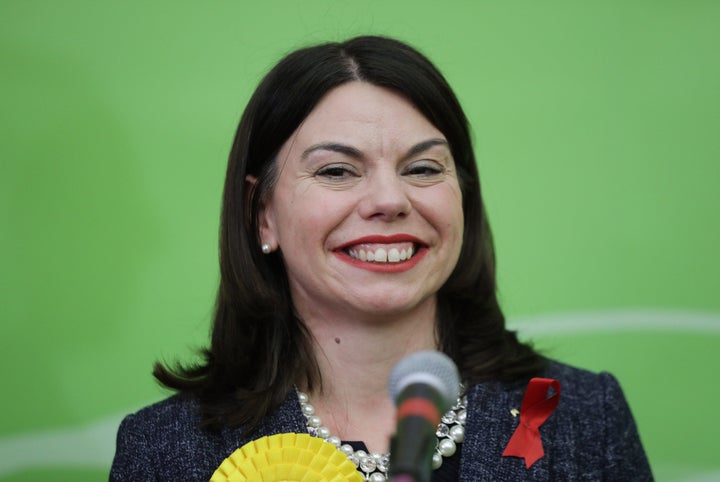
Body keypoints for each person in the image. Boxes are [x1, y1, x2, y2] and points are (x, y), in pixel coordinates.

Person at [110, 35, 652, 481]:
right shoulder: (165, 450)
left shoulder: (581, 416)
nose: (390, 201)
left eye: (422, 169)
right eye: (337, 171)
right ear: (262, 215)